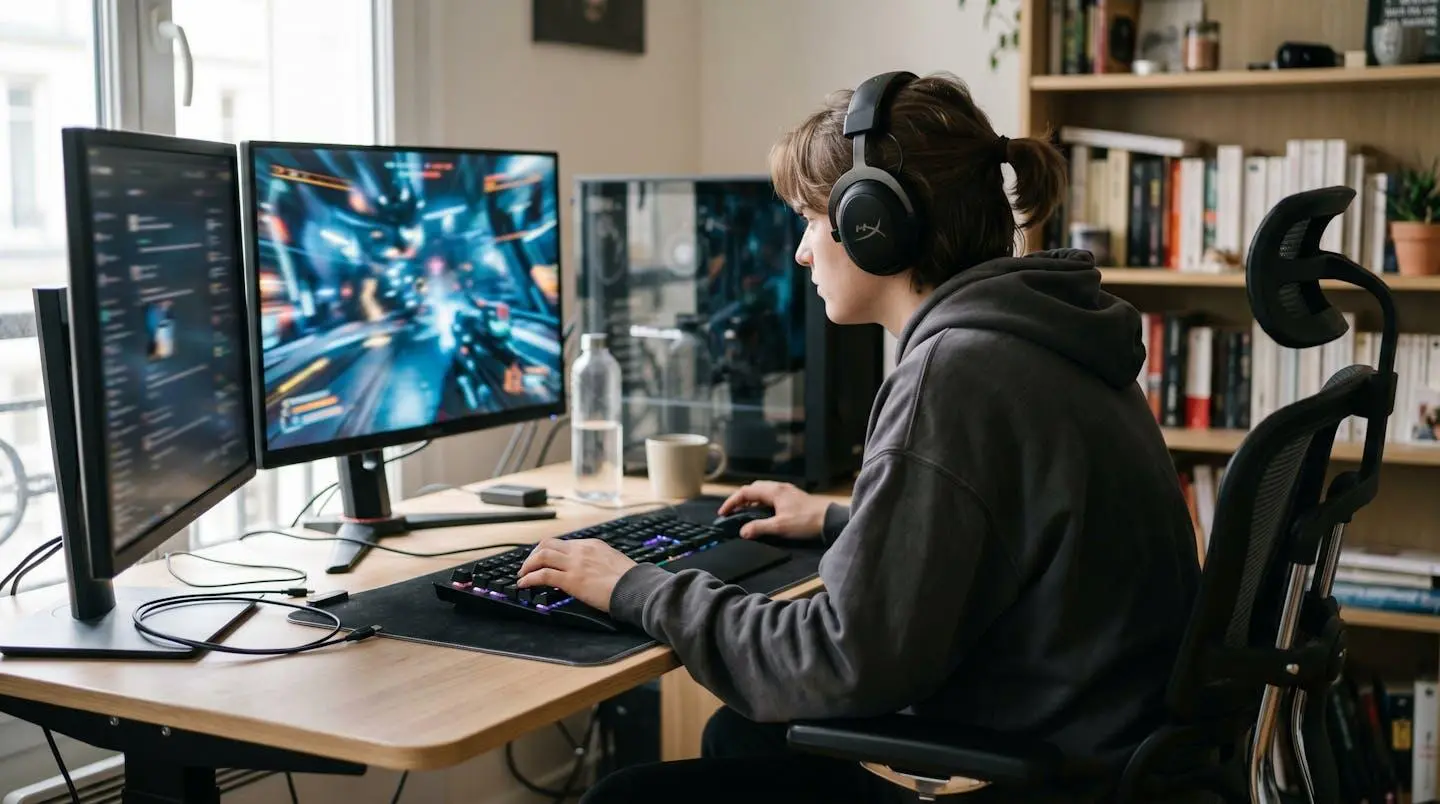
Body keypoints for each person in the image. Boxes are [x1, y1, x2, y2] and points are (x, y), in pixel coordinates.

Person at [517, 70, 1202, 803]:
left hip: (1043, 776)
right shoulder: (1045, 334)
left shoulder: (954, 374)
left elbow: (835, 657)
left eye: (812, 220)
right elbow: (1018, 530)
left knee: (622, 798)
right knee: (738, 739)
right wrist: (844, 519)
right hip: (1112, 752)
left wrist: (635, 587)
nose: (802, 254)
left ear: (877, 223)